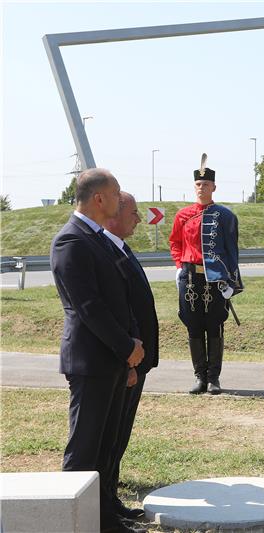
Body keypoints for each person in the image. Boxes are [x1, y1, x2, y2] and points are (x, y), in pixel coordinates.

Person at [50, 168, 146, 533]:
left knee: (105, 447)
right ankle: (71, 520)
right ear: (99, 198)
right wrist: (126, 347)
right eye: (116, 191)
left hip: (113, 357)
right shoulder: (71, 241)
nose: (121, 198)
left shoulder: (98, 239)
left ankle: (104, 516)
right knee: (85, 447)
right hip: (92, 360)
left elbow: (121, 298)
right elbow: (88, 307)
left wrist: (132, 346)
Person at [103, 192, 159, 523]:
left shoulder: (120, 246)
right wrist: (128, 359)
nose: (139, 218)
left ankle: (111, 498)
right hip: (125, 359)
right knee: (109, 437)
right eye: (134, 213)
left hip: (136, 358)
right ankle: (106, 503)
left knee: (120, 434)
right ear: (114, 214)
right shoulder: (105, 249)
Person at [169, 154, 243, 395]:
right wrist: (179, 265)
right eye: (198, 185)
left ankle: (214, 378)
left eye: (206, 185)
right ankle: (199, 376)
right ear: (194, 187)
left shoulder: (225, 216)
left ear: (214, 187)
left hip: (215, 277)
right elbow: (175, 243)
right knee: (193, 325)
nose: (202, 188)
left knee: (215, 325)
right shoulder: (182, 215)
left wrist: (231, 279)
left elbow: (232, 250)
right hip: (189, 276)